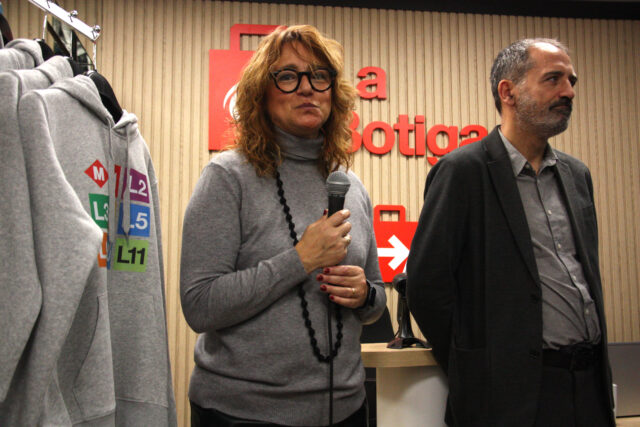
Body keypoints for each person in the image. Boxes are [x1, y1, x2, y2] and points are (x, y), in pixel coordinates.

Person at [180, 25, 385, 427]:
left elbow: (376, 299)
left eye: (319, 76)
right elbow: (200, 305)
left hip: (347, 408)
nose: (307, 88)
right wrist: (300, 259)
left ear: (333, 93)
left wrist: (364, 295)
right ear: (262, 94)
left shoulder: (350, 185)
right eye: (289, 76)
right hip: (242, 414)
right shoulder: (228, 177)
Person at [406, 38, 615, 427]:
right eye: (553, 79)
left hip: (590, 389)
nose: (569, 92)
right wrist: (475, 367)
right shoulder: (462, 172)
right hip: (509, 397)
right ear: (508, 92)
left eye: (571, 81)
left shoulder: (576, 175)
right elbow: (427, 286)